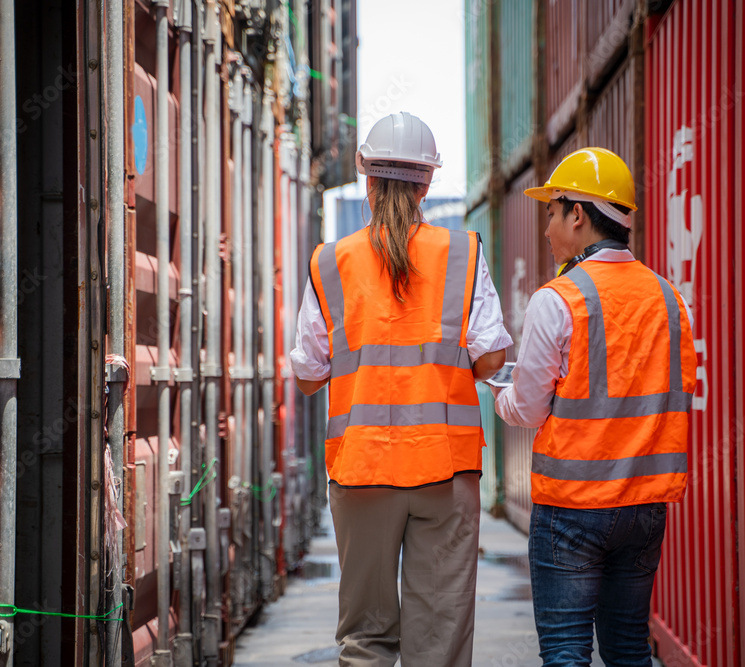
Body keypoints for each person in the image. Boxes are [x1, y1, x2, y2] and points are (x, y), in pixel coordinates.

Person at [290, 111, 513, 667]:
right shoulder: (461, 255)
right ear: (428, 182)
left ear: (366, 176)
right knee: (437, 643)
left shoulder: (331, 262)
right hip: (445, 470)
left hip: (361, 473)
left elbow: (309, 373)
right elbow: (491, 358)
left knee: (365, 640)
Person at [491, 147, 697, 666]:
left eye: (551, 214)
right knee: (629, 648)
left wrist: (502, 396)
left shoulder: (558, 299)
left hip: (572, 510)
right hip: (644, 509)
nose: (546, 231)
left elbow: (532, 408)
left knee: (566, 653)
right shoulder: (670, 299)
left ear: (577, 214)